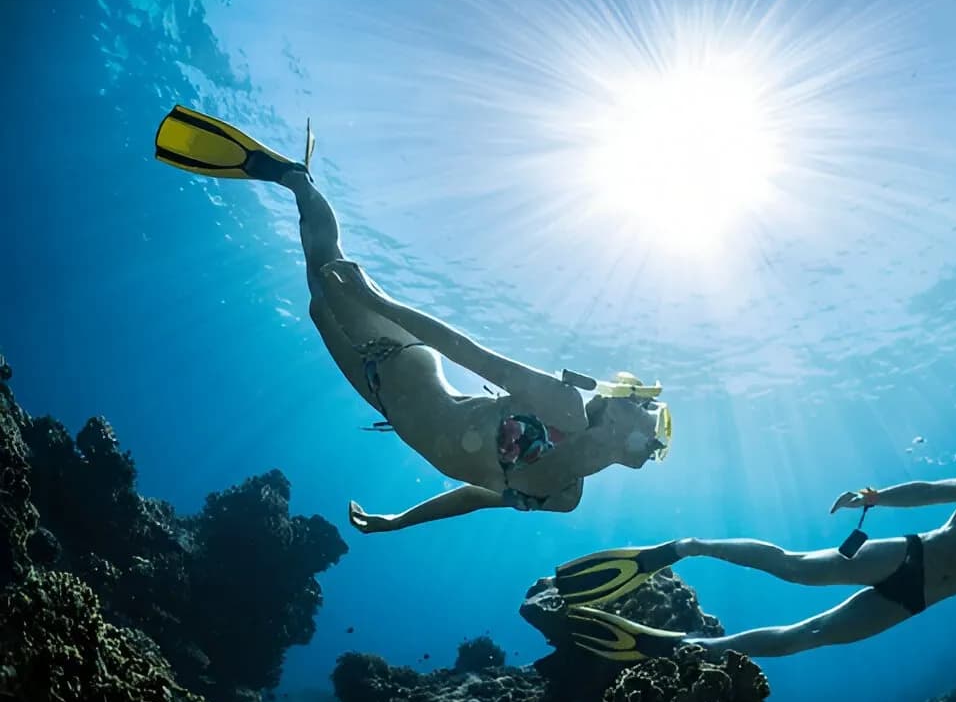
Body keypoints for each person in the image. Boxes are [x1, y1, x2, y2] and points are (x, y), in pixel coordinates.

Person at [154, 105, 671, 531]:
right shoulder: (564, 407)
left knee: (317, 303)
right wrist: (379, 304)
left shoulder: (565, 497)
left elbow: (473, 497)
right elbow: (467, 352)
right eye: (654, 420)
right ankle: (296, 180)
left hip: (384, 400)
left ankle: (300, 187)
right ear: (620, 404)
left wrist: (397, 521)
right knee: (327, 274)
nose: (657, 441)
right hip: (404, 365)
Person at [555, 432, 956, 679]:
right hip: (906, 558)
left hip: (917, 599)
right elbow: (929, 490)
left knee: (806, 639)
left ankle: (688, 647)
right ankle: (689, 546)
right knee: (795, 568)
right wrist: (876, 497)